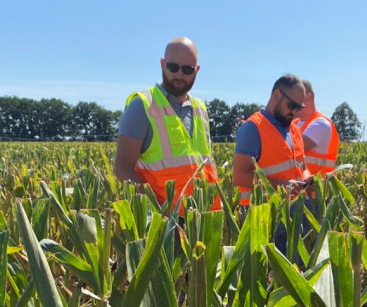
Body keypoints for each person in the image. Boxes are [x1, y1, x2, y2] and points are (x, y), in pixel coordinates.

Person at [114, 36, 220, 211]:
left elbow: (207, 162)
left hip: (204, 218)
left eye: (187, 69)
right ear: (162, 64)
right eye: (173, 67)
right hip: (167, 222)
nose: (179, 74)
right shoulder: (142, 105)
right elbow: (122, 169)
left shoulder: (200, 108)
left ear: (197, 70)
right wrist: (158, 212)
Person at [232, 74, 312, 208]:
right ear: (276, 94)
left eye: (298, 107)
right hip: (263, 215)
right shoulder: (252, 128)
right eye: (291, 105)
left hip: (294, 211)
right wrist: (282, 186)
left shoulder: (295, 130)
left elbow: (302, 167)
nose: (295, 112)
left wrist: (308, 178)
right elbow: (239, 176)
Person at [295, 79, 340, 177]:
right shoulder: (294, 123)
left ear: (308, 97)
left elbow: (293, 148)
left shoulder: (321, 124)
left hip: (317, 190)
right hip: (296, 189)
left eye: (293, 98)